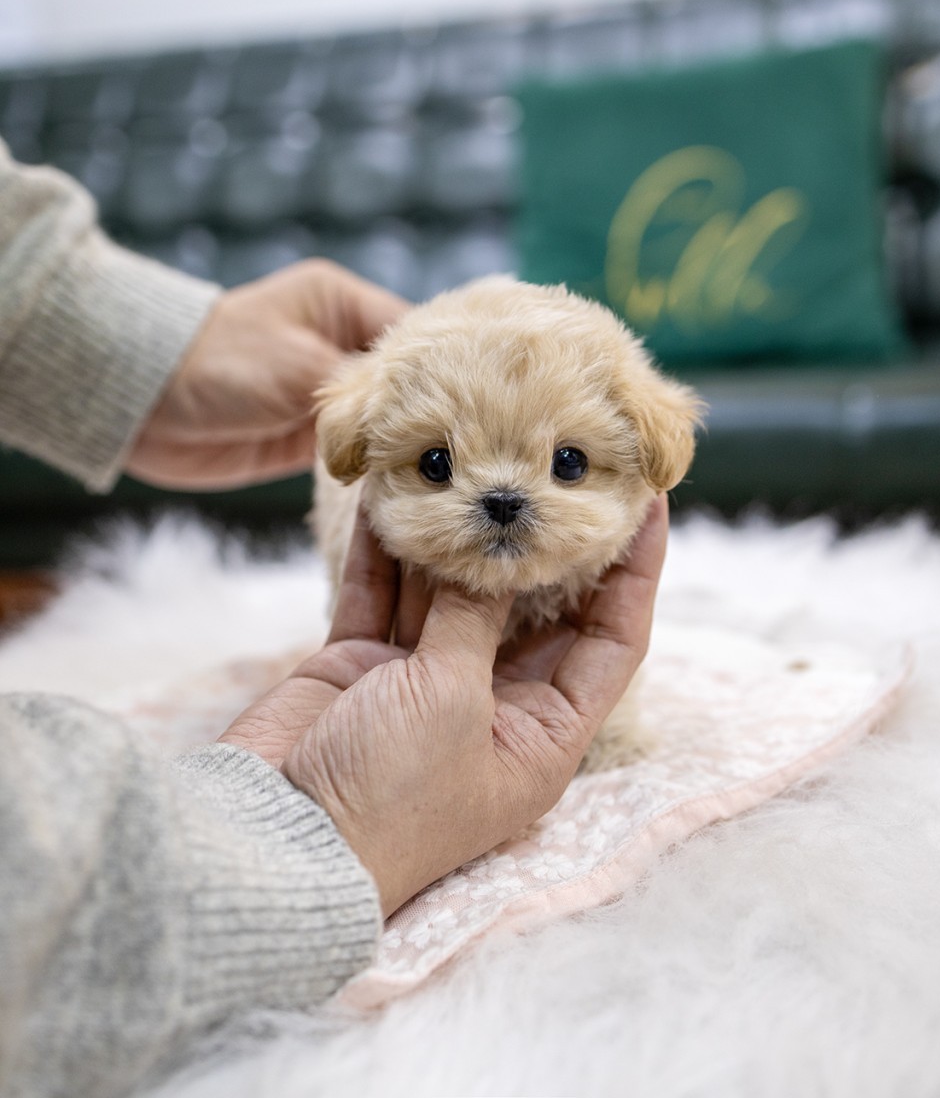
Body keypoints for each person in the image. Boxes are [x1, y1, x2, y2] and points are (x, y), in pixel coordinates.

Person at [0, 140, 668, 1098]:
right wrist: (315, 824)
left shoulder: (639, 451)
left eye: (569, 464)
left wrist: (82, 321)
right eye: (438, 464)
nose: (503, 499)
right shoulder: (353, 476)